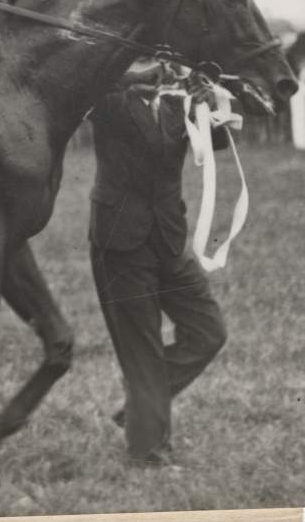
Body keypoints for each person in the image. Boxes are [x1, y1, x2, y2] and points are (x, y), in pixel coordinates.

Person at [87, 58, 229, 467]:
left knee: (208, 331)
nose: (155, 69)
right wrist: (127, 76)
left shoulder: (177, 105)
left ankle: (139, 412)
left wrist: (206, 102)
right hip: (121, 242)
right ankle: (148, 454)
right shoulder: (108, 102)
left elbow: (216, 143)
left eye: (158, 61)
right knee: (142, 349)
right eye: (142, 60)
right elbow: (93, 74)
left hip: (169, 239)